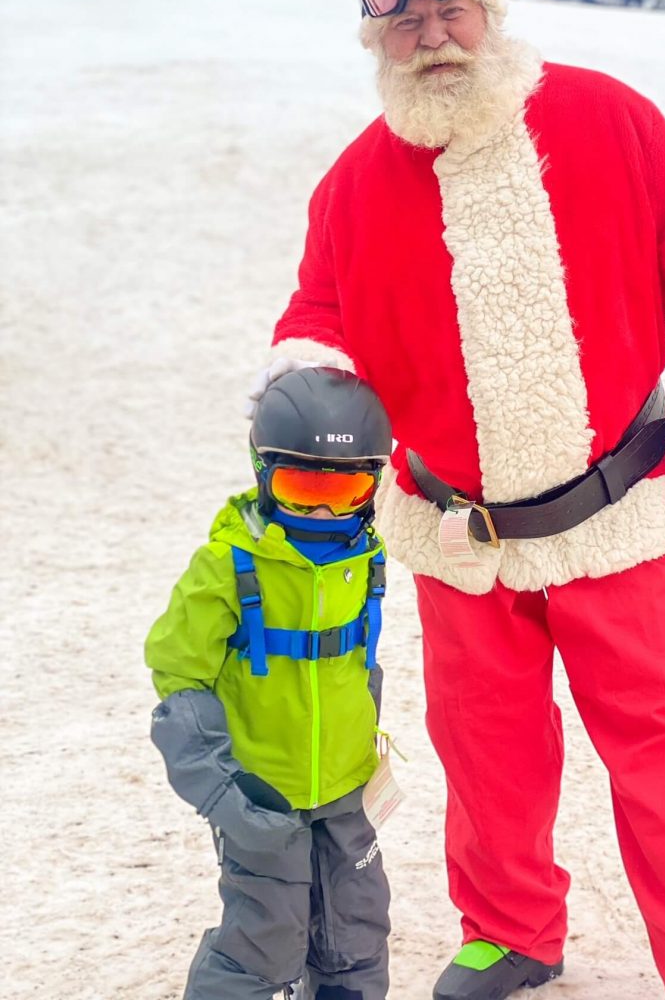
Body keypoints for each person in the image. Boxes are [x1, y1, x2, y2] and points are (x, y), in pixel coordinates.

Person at [247, 0, 665, 1000]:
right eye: (408, 26)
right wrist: (307, 391)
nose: (436, 39)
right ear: (374, 42)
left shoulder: (611, 120)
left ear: (490, 11)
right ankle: (510, 931)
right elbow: (320, 312)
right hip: (456, 529)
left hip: (614, 513)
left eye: (454, 13)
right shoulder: (354, 182)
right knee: (487, 751)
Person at [146, 368, 392, 1000]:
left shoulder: (364, 560)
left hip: (344, 786)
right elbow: (179, 676)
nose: (323, 508)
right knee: (265, 938)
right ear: (263, 472)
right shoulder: (228, 565)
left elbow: (359, 667)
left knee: (355, 926)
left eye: (348, 489)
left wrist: (368, 757)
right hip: (260, 793)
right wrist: (225, 795)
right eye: (302, 485)